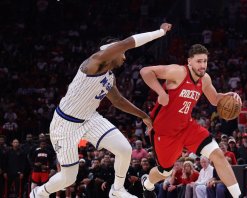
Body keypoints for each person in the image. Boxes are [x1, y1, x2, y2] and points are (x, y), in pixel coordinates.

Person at [30, 23, 172, 198]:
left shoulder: (109, 75)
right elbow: (128, 42)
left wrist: (143, 115)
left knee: (124, 149)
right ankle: (39, 193)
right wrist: (160, 32)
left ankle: (117, 189)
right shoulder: (94, 62)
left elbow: (118, 100)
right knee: (68, 177)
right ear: (112, 50)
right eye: (123, 53)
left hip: (89, 118)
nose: (125, 58)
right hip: (65, 124)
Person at [139, 44, 242, 198]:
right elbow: (145, 71)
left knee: (218, 154)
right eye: (199, 61)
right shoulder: (178, 72)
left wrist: (228, 95)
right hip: (165, 132)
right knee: (164, 172)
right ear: (189, 62)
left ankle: (239, 196)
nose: (203, 65)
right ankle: (147, 184)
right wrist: (161, 92)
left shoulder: (205, 79)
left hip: (187, 127)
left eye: (205, 61)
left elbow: (214, 99)